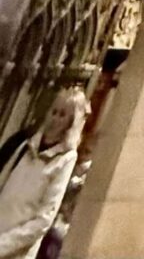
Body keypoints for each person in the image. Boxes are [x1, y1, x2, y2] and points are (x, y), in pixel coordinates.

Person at [0, 88, 87, 259]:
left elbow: (44, 218)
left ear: (71, 122)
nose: (55, 119)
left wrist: (4, 244)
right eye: (54, 111)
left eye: (62, 115)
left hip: (15, 250)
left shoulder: (66, 158)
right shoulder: (26, 144)